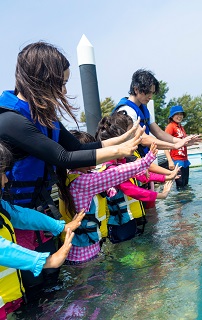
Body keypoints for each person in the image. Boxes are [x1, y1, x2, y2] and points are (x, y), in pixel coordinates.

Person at [0, 41, 143, 297]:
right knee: (30, 289)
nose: (65, 90)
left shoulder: (44, 115)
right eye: (61, 82)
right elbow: (65, 157)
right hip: (15, 216)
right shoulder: (10, 120)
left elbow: (77, 146)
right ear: (42, 79)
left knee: (52, 281)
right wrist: (120, 152)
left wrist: (124, 138)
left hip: (39, 211)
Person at [0, 142, 85, 320]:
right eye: (2, 173)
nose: (6, 180)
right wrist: (47, 260)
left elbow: (21, 215)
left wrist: (61, 226)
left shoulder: (1, 205)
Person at [57, 130, 158, 263]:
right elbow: (116, 174)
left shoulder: (72, 177)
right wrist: (145, 161)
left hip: (82, 248)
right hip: (82, 255)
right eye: (91, 152)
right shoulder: (82, 182)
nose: (96, 155)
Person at [95, 112, 177, 242]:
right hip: (120, 224)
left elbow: (142, 176)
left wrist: (167, 177)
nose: (134, 141)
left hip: (129, 219)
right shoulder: (111, 169)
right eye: (130, 137)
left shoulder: (121, 162)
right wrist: (161, 195)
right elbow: (132, 190)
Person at [113, 69, 202, 155]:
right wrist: (174, 146)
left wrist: (183, 141)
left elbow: (159, 132)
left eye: (152, 93)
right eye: (148, 92)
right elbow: (143, 139)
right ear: (136, 89)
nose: (150, 96)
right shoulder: (127, 111)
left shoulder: (143, 109)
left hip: (141, 159)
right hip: (127, 161)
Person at [164, 105, 191, 188]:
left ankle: (187, 200)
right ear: (172, 116)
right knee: (180, 185)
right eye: (177, 114)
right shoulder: (170, 127)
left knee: (185, 184)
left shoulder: (181, 127)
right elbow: (165, 144)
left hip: (184, 160)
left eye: (181, 114)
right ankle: (179, 201)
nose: (179, 116)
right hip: (176, 160)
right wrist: (170, 161)